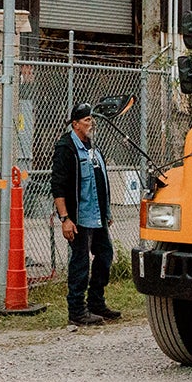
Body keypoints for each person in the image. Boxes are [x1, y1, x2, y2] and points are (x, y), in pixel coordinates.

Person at [51, 102, 117, 326]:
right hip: (79, 218)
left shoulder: (93, 147)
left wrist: (106, 211)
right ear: (75, 124)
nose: (92, 123)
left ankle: (96, 302)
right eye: (87, 120)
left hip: (97, 216)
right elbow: (58, 186)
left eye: (92, 119)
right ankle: (77, 311)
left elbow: (102, 182)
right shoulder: (66, 148)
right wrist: (65, 218)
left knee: (105, 256)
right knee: (80, 263)